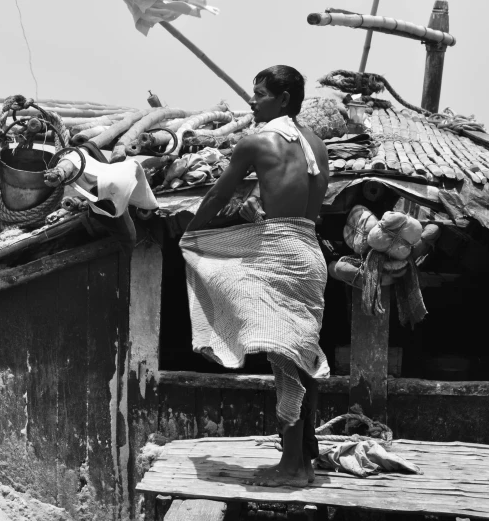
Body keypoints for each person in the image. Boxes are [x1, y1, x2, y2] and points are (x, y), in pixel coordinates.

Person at [179, 65, 330, 487]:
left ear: (282, 99)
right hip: (310, 252)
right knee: (300, 354)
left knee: (286, 359)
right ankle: (304, 452)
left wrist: (193, 234)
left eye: (260, 94)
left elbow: (218, 193)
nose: (252, 100)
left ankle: (293, 466)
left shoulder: (256, 142)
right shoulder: (318, 146)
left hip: (280, 250)